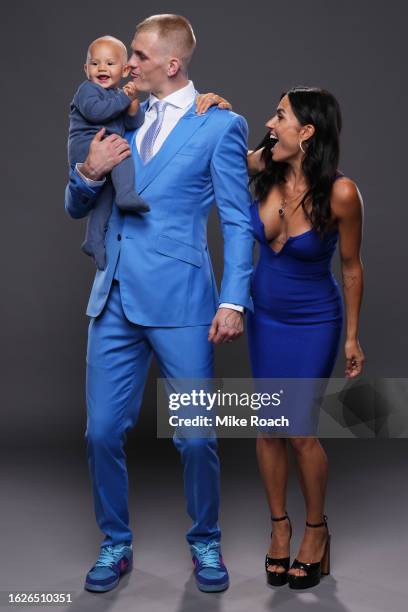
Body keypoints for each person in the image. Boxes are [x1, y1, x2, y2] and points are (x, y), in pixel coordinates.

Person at [64, 14, 253, 594]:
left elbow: (239, 221)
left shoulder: (219, 126)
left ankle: (206, 540)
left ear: (170, 64)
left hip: (183, 301)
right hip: (113, 296)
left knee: (195, 435)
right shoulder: (119, 109)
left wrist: (234, 301)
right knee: (100, 433)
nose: (127, 66)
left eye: (139, 56)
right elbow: (77, 205)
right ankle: (115, 542)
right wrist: (87, 173)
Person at [247, 86, 365, 589]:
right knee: (268, 427)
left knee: (299, 431)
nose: (271, 123)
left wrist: (353, 338)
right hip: (263, 317)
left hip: (313, 321)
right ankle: (280, 529)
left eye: (281, 116)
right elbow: (209, 140)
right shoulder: (263, 169)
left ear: (308, 131)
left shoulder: (340, 193)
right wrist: (208, 101)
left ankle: (315, 532)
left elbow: (352, 267)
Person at [68, 36, 150, 271]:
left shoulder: (117, 96)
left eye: (110, 63)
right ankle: (126, 193)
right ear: (86, 69)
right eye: (95, 64)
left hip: (105, 148)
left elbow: (134, 123)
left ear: (124, 70)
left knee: (104, 199)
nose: (101, 68)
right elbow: (96, 113)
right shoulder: (87, 90)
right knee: (121, 149)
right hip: (87, 146)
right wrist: (124, 97)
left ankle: (93, 241)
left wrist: (133, 103)